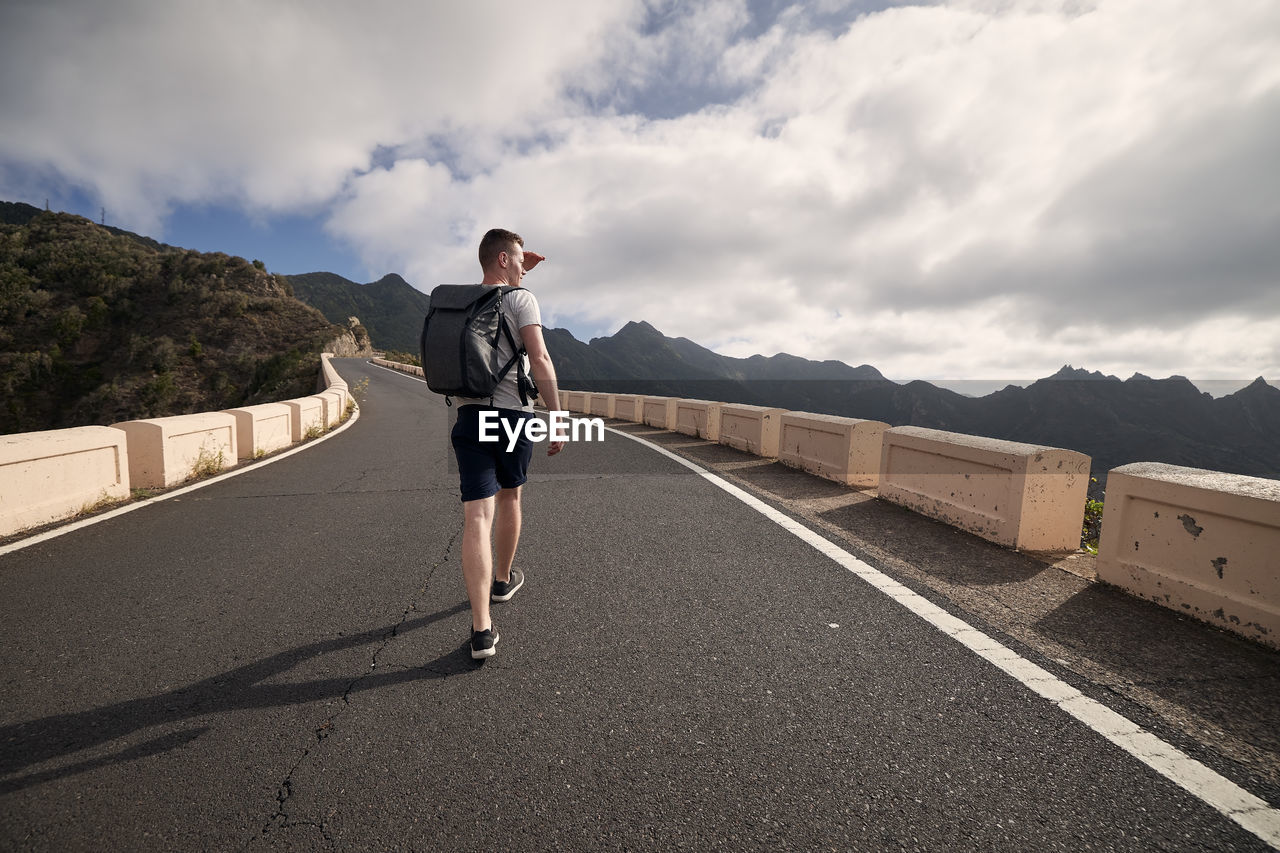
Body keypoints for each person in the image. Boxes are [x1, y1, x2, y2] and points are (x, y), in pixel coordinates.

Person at [449, 228, 566, 660]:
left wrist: (519, 268)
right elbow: (540, 358)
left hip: (468, 417)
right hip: (512, 418)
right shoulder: (521, 299)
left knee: (476, 515)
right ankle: (502, 581)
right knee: (510, 497)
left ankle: (482, 630)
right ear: (502, 259)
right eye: (517, 258)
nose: (523, 265)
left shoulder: (459, 303)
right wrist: (558, 417)